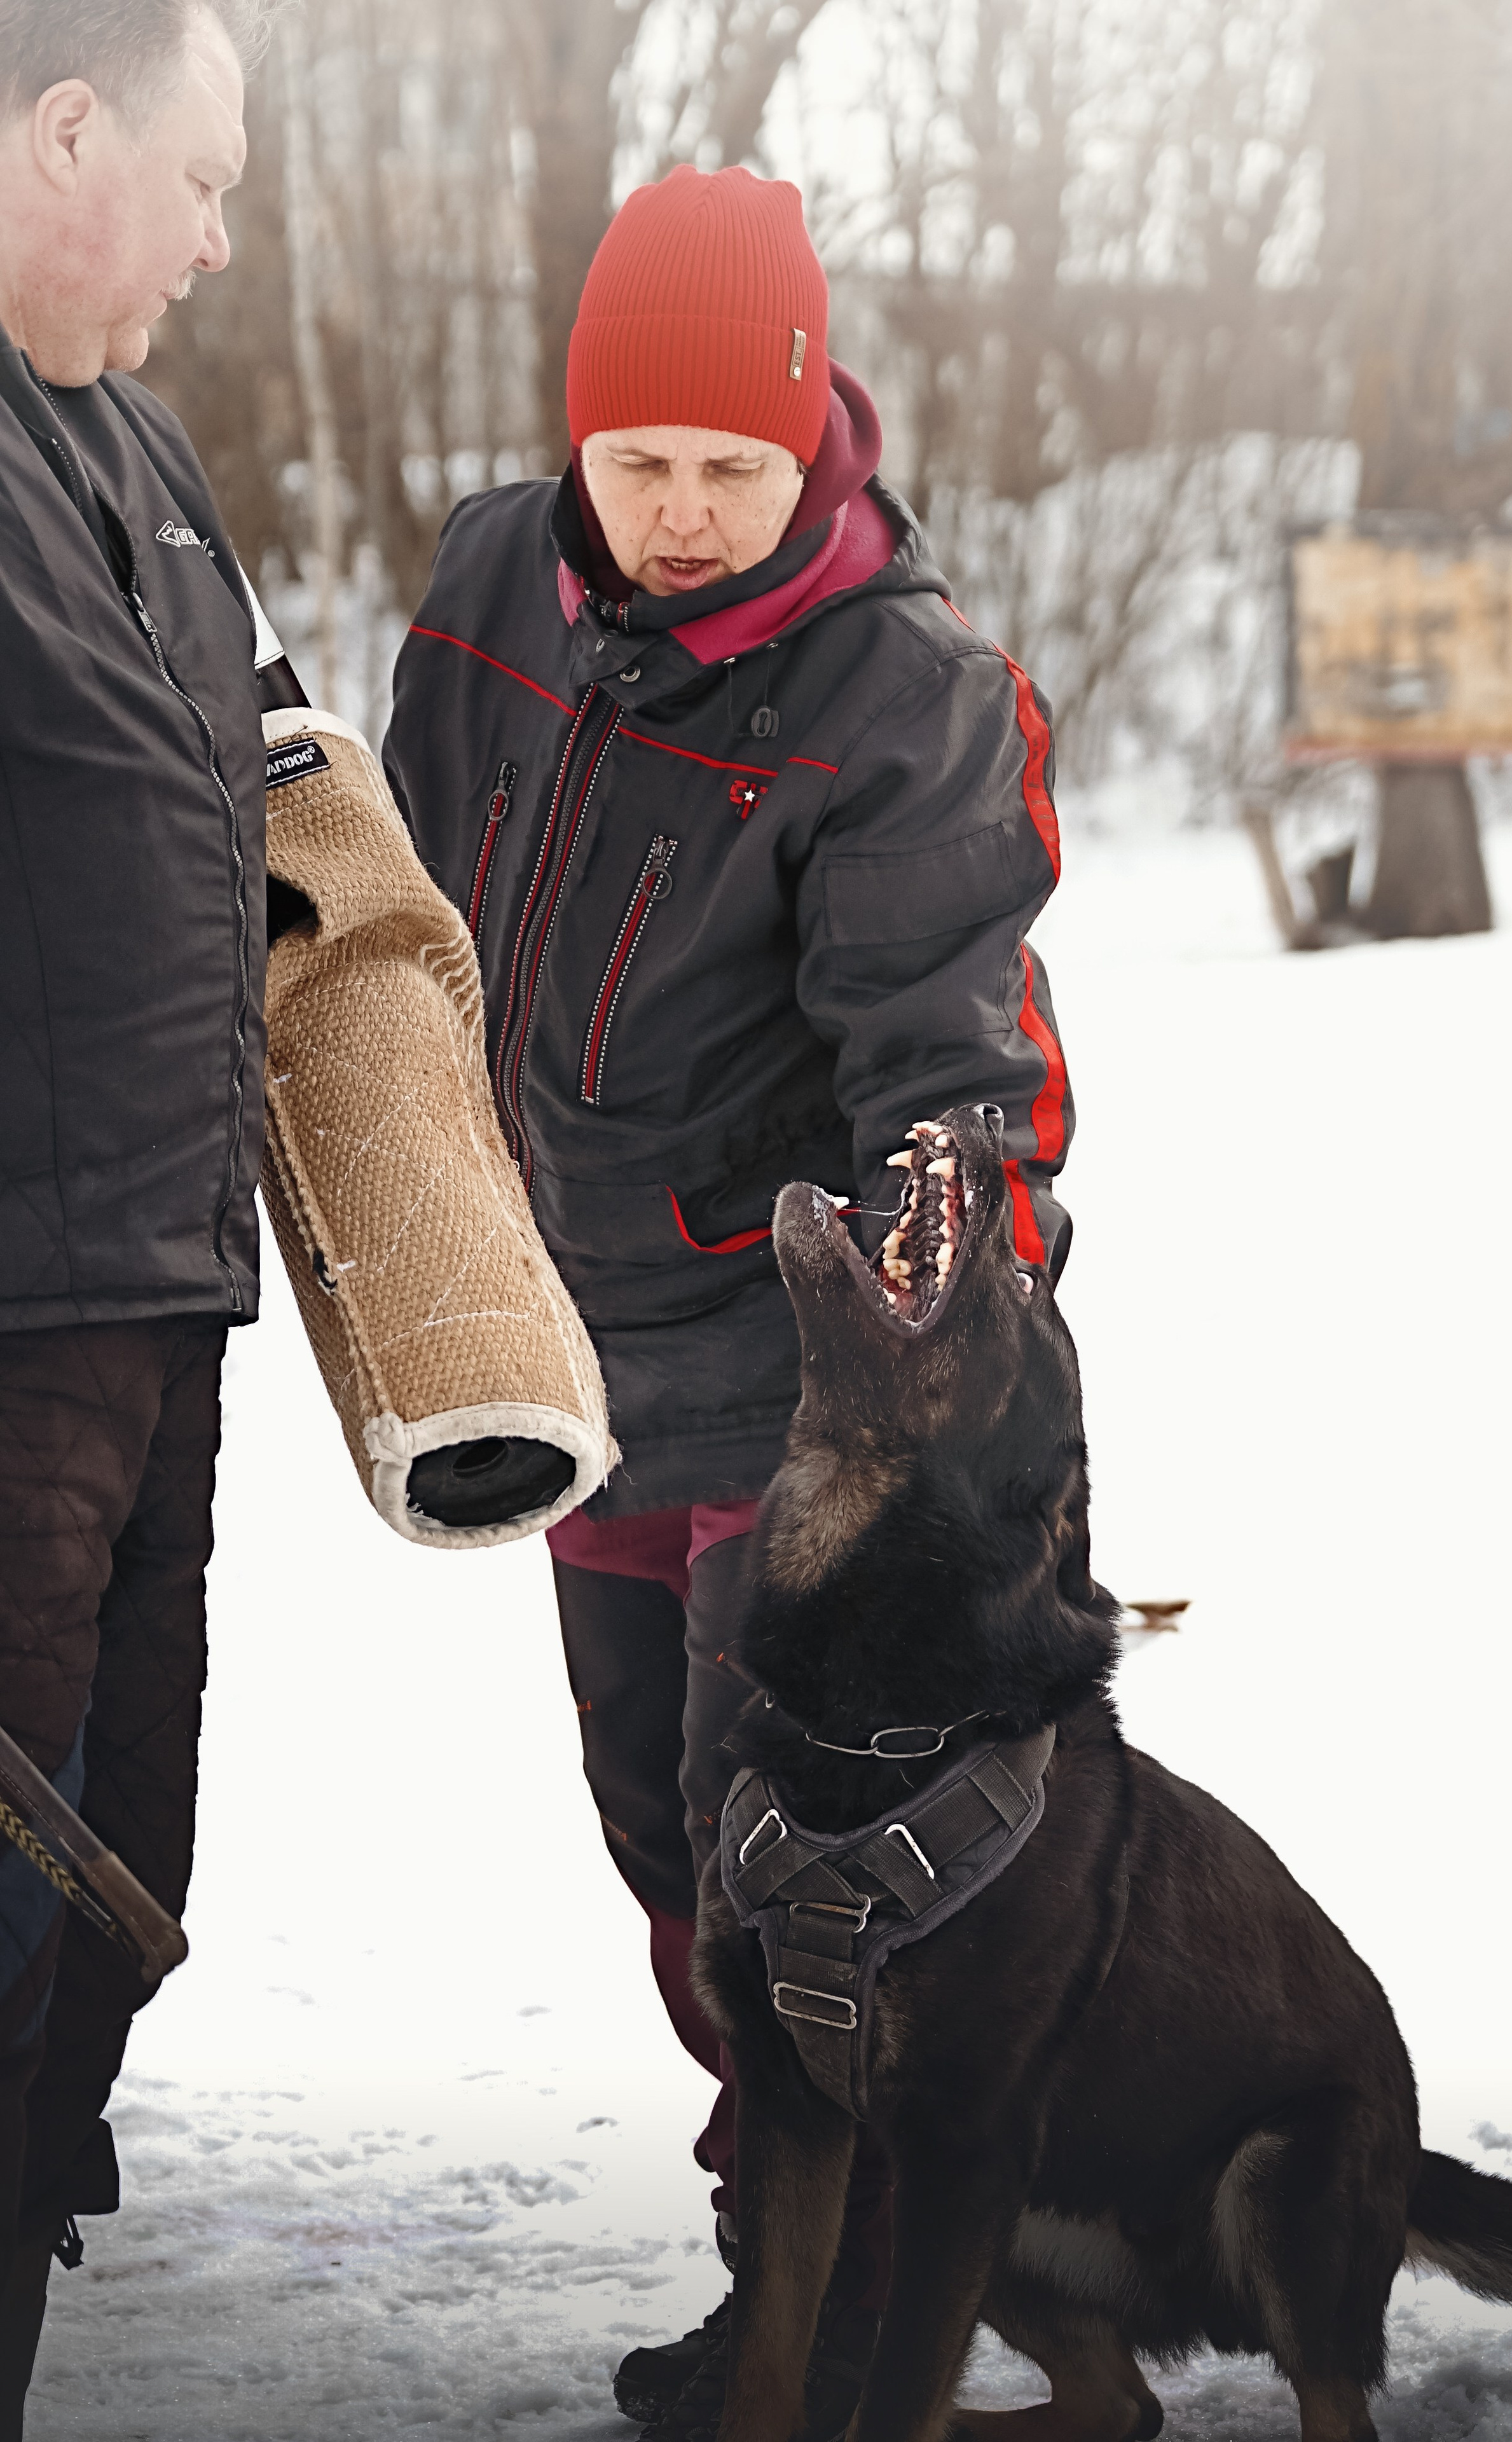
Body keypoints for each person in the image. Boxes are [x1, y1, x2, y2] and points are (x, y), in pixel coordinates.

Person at [384, 163, 1075, 2439]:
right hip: (561, 1353)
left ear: (818, 450)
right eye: (642, 463)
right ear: (577, 443)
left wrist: (945, 1298)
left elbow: (948, 1063)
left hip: (797, 1413)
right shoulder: (495, 575)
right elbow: (403, 906)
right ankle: (792, 2252)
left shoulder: (897, 694)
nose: (683, 518)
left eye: (734, 470)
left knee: (812, 1882)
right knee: (667, 1846)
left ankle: (868, 2322)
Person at [0, 1, 275, 2422]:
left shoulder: (147, 452)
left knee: (104, 1882)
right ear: (62, 125)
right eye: (196, 180)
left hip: (163, 1312)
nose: (217, 240)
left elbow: (266, 780)